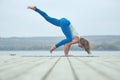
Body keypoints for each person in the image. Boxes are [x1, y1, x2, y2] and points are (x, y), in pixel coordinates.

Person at [27, 6, 92, 56]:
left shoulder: (77, 38)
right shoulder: (77, 40)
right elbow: (66, 44)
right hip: (65, 23)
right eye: (82, 47)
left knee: (48, 18)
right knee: (68, 39)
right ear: (81, 43)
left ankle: (35, 9)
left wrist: (88, 52)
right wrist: (65, 54)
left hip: (63, 21)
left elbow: (68, 45)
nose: (81, 47)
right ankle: (54, 46)